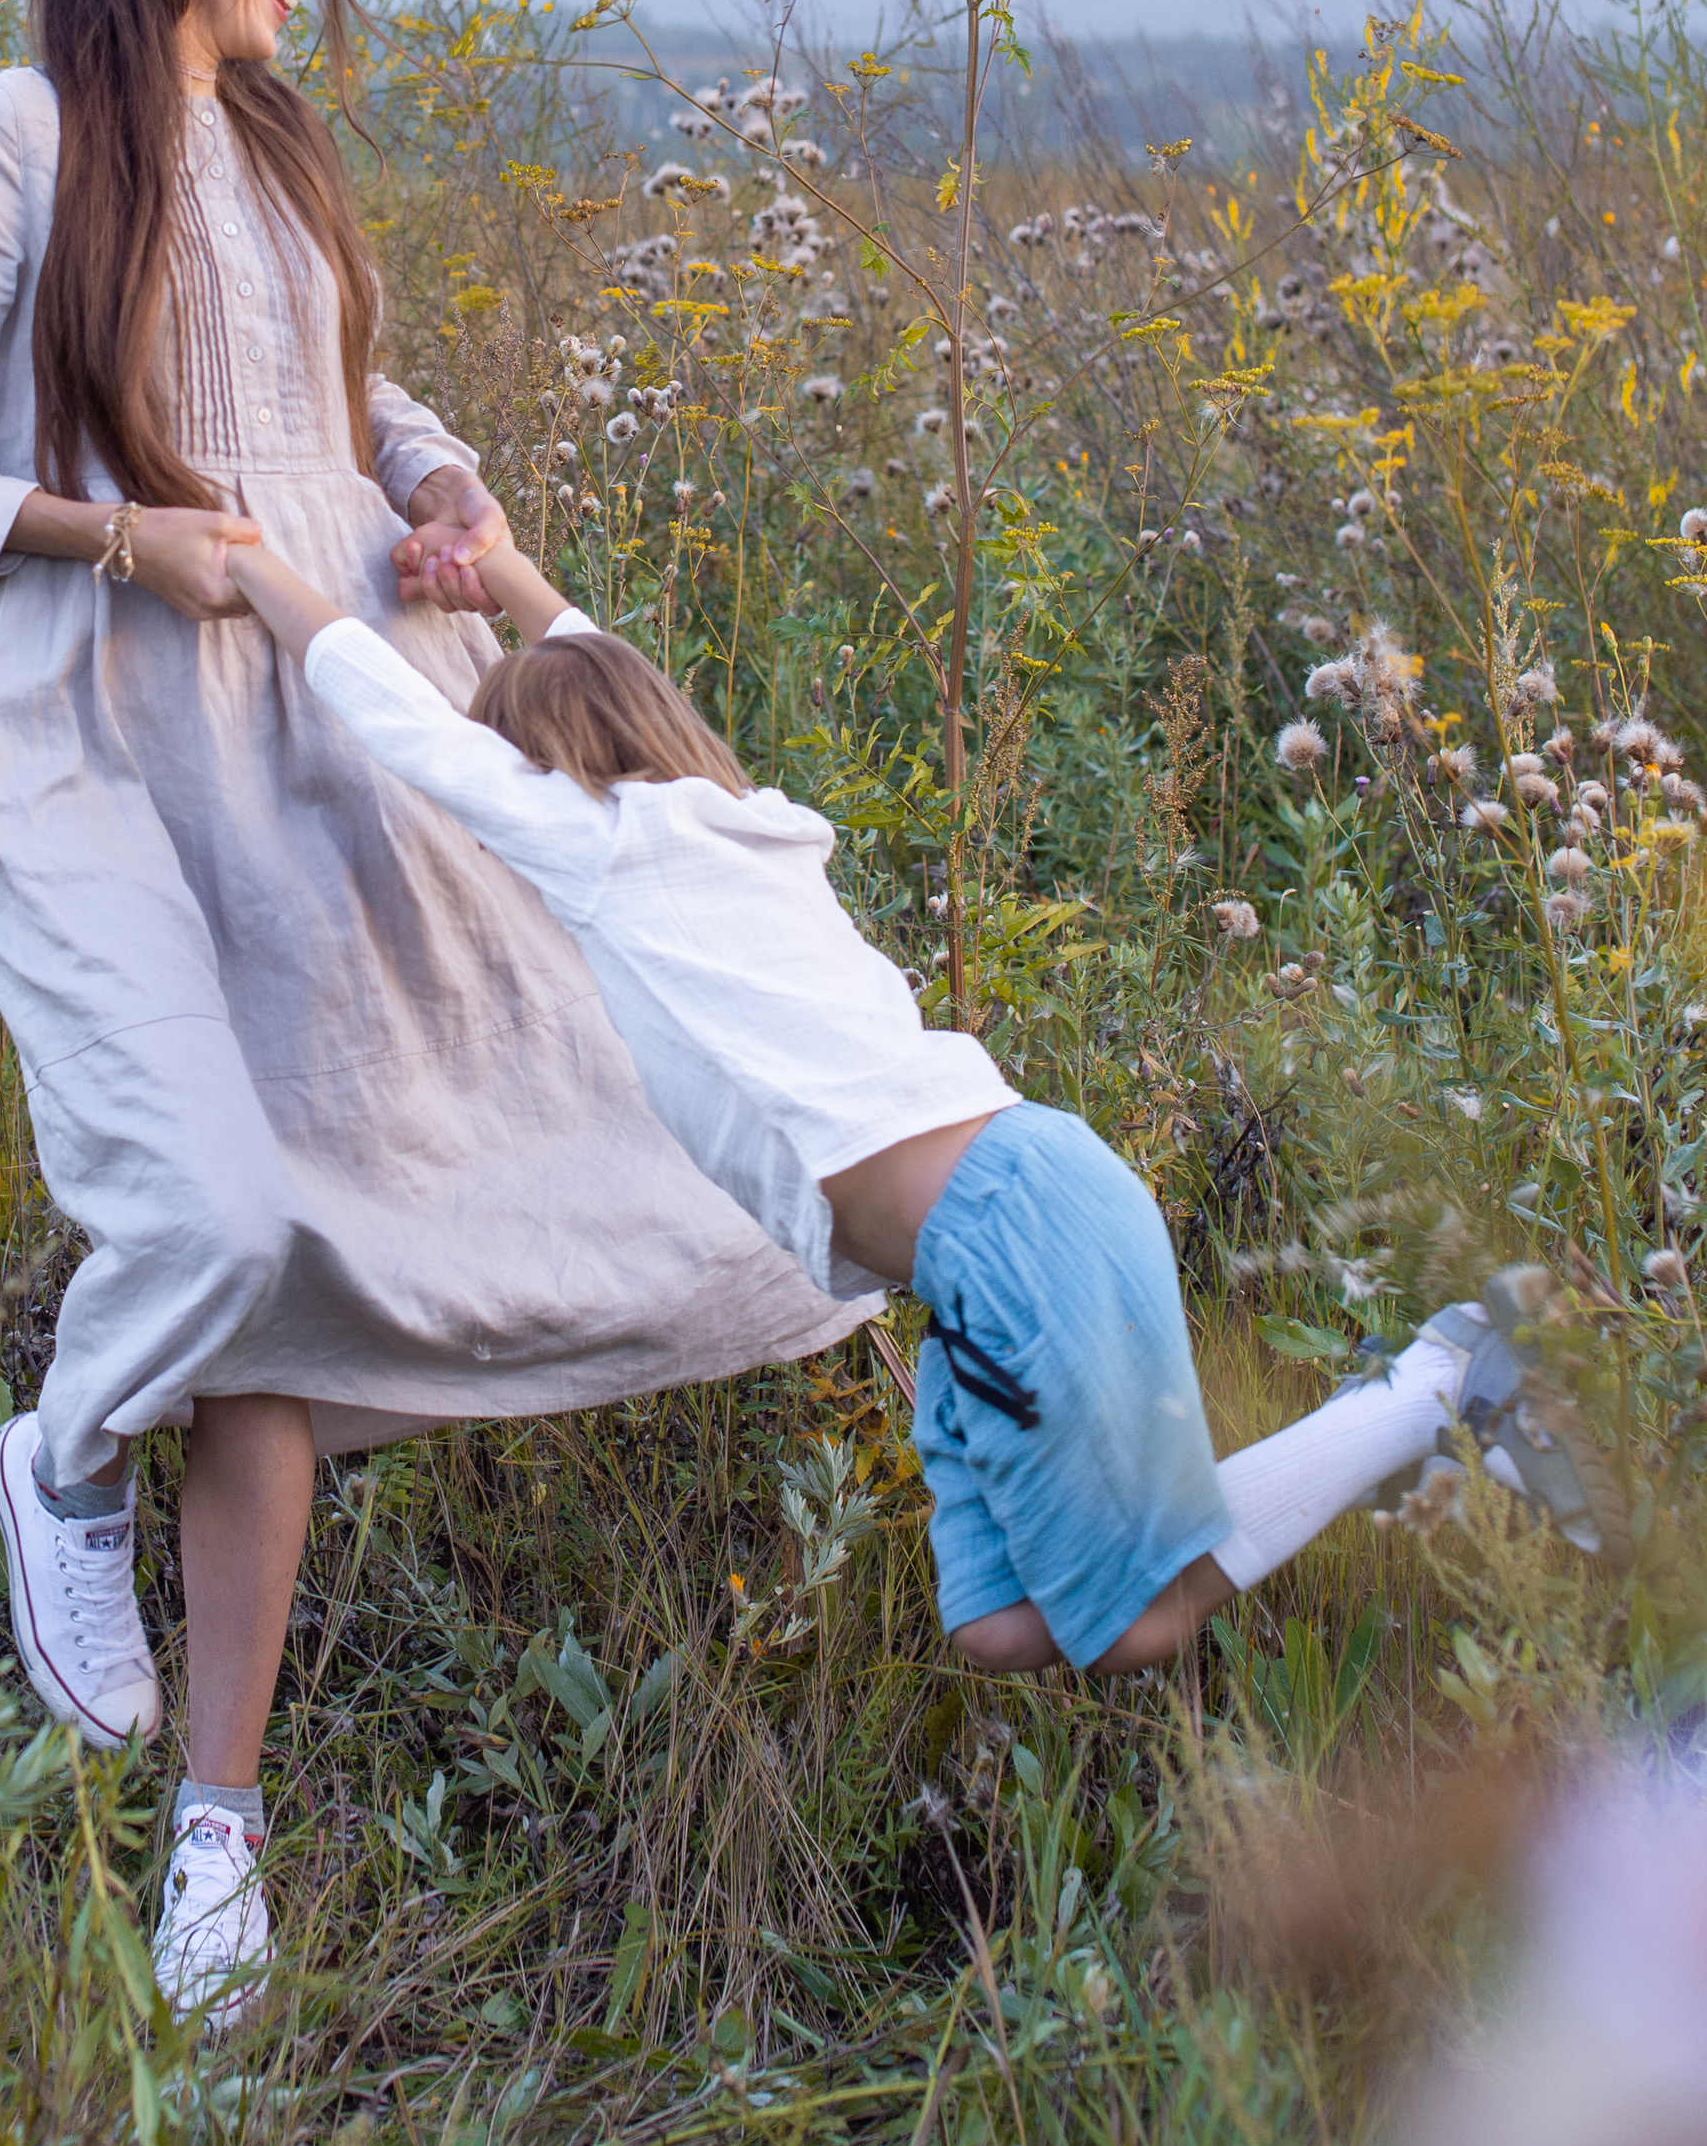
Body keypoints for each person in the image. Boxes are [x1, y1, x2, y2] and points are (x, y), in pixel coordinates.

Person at [0, 0, 862, 2028]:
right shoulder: (20, 139)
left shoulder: (274, 151)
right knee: (213, 1216)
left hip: (316, 731)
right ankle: (64, 1451)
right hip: (92, 752)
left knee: (388, 1219)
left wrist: (445, 486)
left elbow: (349, 406)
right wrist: (108, 532)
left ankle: (217, 1837)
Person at [222, 521, 1628, 1678]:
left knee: (1132, 1621)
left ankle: (1435, 1385)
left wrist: (255, 571)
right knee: (995, 1627)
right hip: (1001, 1235)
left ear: (553, 773)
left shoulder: (605, 846)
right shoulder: (734, 825)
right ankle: (1437, 1396)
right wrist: (512, 579)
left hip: (1006, 1230)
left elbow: (405, 728)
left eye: (519, 766)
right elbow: (602, 669)